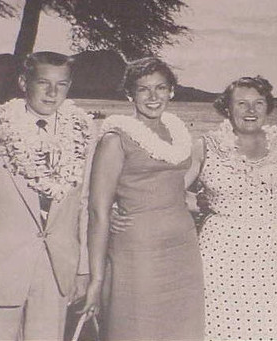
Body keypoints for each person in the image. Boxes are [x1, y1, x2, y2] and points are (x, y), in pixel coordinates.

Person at [80, 57, 205, 340]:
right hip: (139, 251)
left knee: (183, 329)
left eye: (161, 88)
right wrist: (96, 279)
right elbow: (97, 210)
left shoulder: (178, 131)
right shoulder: (115, 138)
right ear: (129, 94)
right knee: (137, 327)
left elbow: (173, 184)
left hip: (184, 248)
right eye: (143, 89)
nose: (153, 97)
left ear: (172, 90)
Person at [0, 51, 93, 341]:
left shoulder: (84, 131)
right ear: (23, 82)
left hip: (56, 270)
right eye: (43, 82)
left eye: (62, 84)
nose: (53, 93)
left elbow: (84, 205)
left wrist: (82, 269)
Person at [185, 76, 277, 340]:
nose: (251, 111)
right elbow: (174, 191)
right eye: (241, 103)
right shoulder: (205, 145)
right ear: (227, 108)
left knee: (271, 327)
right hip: (222, 253)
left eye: (258, 103)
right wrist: (198, 205)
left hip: (271, 255)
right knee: (222, 328)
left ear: (268, 107)